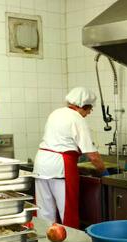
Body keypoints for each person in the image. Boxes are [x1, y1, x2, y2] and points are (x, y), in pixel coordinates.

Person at [33, 87, 107, 228]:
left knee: (44, 211)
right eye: (90, 109)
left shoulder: (56, 113)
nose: (89, 113)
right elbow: (92, 155)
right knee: (68, 210)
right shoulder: (77, 119)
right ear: (84, 107)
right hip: (60, 166)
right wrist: (104, 171)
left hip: (41, 164)